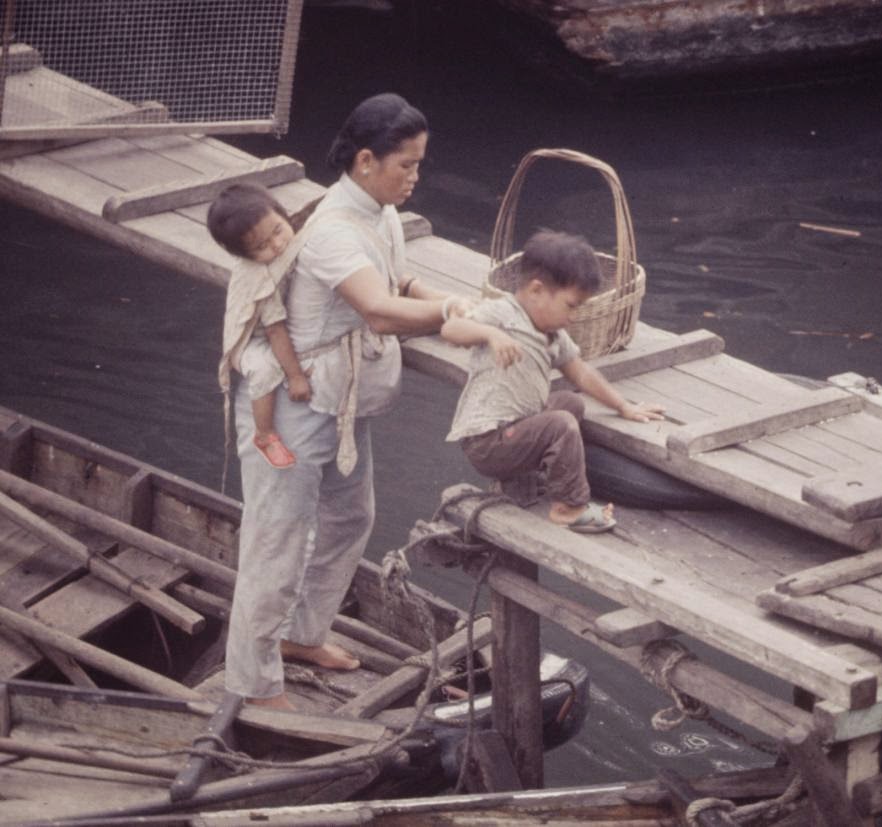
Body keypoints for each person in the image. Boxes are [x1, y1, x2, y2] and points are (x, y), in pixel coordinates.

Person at [225, 93, 470, 709]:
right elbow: (382, 311)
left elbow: (398, 283)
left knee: (349, 517)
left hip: (339, 404)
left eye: (419, 163)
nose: (415, 176)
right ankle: (253, 685)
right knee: (274, 540)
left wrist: (466, 305)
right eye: (406, 165)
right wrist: (449, 314)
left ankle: (301, 636)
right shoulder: (333, 227)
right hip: (290, 408)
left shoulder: (381, 212)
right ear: (366, 160)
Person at [443, 229, 664, 533]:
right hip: (488, 441)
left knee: (570, 403)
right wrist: (490, 334)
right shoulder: (502, 313)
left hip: (518, 426)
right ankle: (569, 507)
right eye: (571, 305)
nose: (573, 316)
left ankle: (550, 477)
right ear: (536, 291)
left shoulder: (554, 335)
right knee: (560, 423)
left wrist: (624, 406)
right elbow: (451, 329)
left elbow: (581, 373)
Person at [212, 184, 311, 470]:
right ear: (244, 255)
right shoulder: (260, 279)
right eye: (262, 247)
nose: (277, 245)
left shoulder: (292, 238)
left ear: (283, 215)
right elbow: (275, 331)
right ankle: (265, 434)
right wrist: (296, 377)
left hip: (271, 329)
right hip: (249, 340)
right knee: (266, 368)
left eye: (278, 231)